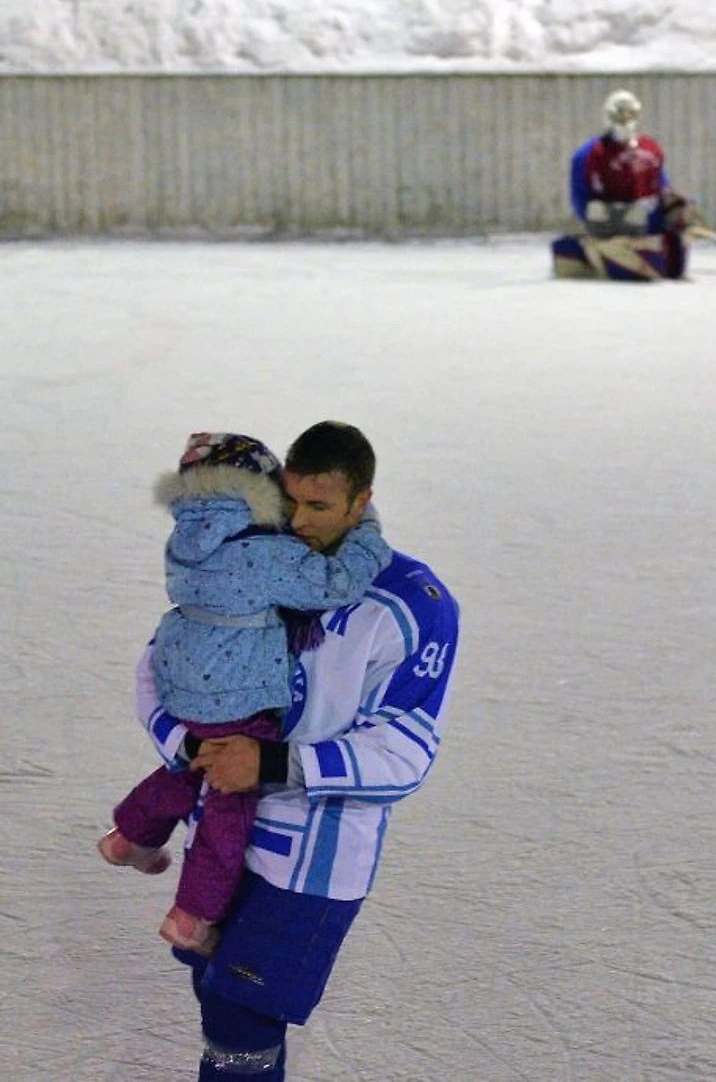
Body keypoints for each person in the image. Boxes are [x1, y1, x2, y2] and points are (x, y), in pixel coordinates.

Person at [135, 421, 460, 1081]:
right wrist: (193, 744)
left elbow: (405, 751)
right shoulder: (259, 558)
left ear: (360, 502)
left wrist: (272, 763)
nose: (301, 523)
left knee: (241, 1016)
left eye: (320, 507)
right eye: (292, 503)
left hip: (313, 861)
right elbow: (161, 667)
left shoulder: (415, 607)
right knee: (212, 990)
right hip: (224, 831)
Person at [98, 431, 392, 956]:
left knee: (188, 768)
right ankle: (193, 916)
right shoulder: (266, 553)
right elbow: (335, 584)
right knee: (227, 808)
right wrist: (367, 534)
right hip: (237, 691)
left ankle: (131, 836)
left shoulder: (187, 540)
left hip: (181, 678)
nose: (295, 517)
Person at [552, 89, 693, 280]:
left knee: (678, 215)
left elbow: (661, 184)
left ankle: (665, 259)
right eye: (619, 113)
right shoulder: (589, 154)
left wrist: (673, 205)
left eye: (630, 113)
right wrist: (595, 221)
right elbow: (580, 195)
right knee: (605, 213)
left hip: (648, 220)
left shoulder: (650, 149)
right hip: (613, 224)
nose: (625, 119)